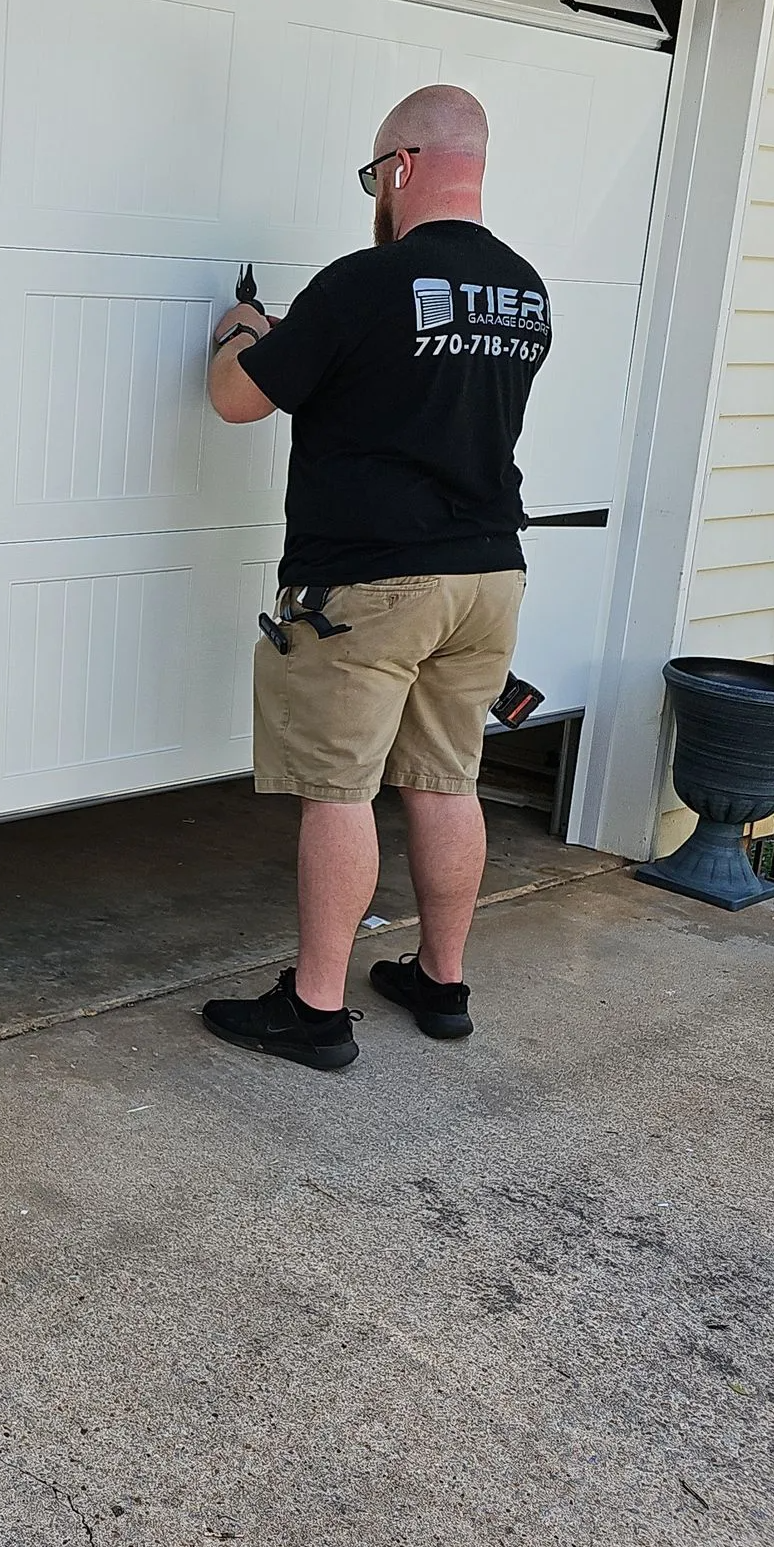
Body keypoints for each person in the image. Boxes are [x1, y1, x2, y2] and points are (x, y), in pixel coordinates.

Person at [199, 84, 550, 1072]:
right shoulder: (525, 290)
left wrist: (240, 329)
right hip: (488, 574)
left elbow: (237, 400)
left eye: (374, 175)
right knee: (446, 780)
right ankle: (440, 982)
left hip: (367, 587)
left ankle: (314, 1010)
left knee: (340, 792)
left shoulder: (362, 282)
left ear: (399, 167)